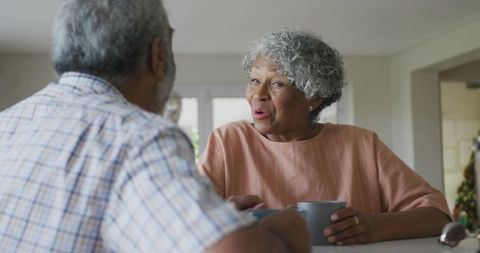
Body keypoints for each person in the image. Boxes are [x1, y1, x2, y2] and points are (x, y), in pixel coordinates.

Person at [0, 1, 311, 252]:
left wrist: (212, 218)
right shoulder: (140, 136)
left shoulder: (8, 123)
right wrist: (284, 234)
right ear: (158, 55)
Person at [198, 29, 451, 245]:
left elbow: (437, 214)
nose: (258, 94)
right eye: (254, 80)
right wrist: (219, 216)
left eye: (277, 84)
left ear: (313, 98)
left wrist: (374, 227)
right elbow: (182, 220)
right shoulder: (227, 141)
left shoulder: (361, 144)